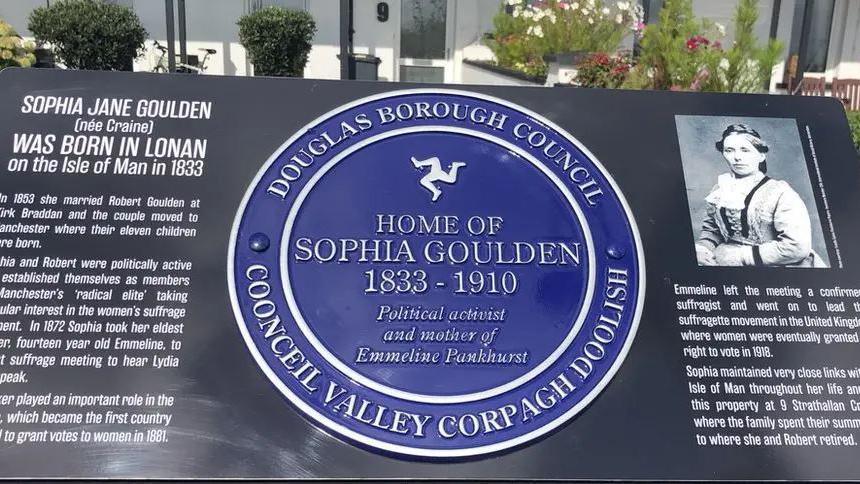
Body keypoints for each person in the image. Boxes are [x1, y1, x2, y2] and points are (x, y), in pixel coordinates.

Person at [695, 124, 825, 267]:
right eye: (729, 150)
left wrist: (743, 257)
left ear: (761, 155)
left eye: (745, 150)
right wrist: (702, 251)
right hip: (723, 262)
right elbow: (712, 231)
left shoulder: (780, 192)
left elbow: (797, 246)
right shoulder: (719, 189)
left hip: (774, 266)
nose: (737, 157)